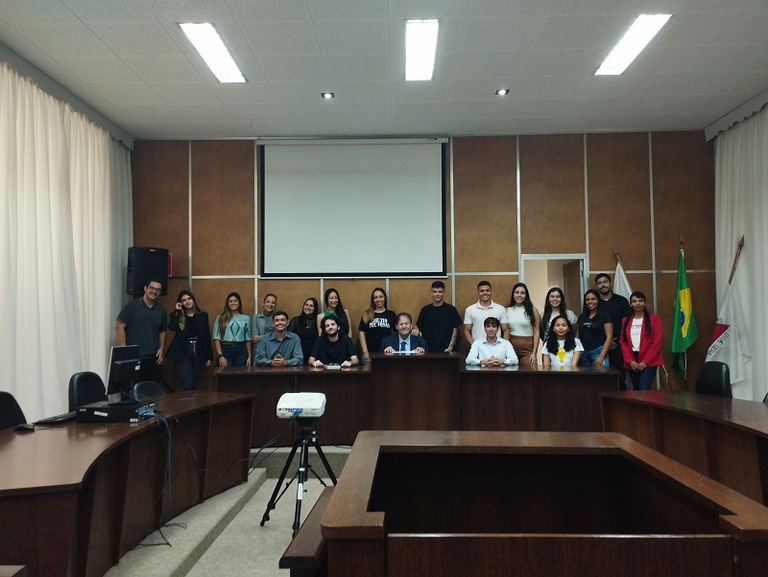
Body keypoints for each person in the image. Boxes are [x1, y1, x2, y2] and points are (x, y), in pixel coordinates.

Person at [115, 279, 168, 384]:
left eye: (157, 290)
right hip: (134, 357)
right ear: (145, 288)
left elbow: (162, 330)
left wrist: (162, 348)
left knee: (152, 389)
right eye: (152, 288)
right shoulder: (131, 306)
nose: (154, 291)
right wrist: (124, 350)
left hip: (153, 357)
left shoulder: (161, 309)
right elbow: (119, 326)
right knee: (133, 389)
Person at [166, 290, 213, 390]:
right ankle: (184, 399)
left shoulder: (202, 315)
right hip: (182, 351)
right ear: (181, 303)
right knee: (187, 383)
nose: (187, 302)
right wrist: (177, 311)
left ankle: (190, 400)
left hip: (198, 350)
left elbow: (206, 336)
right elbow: (172, 327)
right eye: (184, 300)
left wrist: (208, 356)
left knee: (194, 382)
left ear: (193, 300)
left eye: (189, 299)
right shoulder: (179, 315)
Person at [619, 291, 663, 391]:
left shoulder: (654, 319)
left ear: (645, 303)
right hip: (632, 359)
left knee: (644, 389)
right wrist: (630, 360)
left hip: (649, 359)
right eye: (634, 301)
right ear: (630, 304)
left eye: (640, 301)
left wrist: (645, 361)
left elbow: (657, 341)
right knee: (636, 389)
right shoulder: (625, 320)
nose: (638, 303)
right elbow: (623, 342)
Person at [595, 273, 632, 388]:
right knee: (600, 380)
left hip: (618, 346)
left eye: (605, 282)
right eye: (599, 283)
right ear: (596, 286)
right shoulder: (594, 303)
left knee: (620, 379)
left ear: (610, 283)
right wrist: (606, 342)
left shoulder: (622, 301)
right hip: (599, 347)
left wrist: (616, 341)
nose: (603, 285)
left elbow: (627, 324)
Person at [414, 281, 463, 352]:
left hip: (446, 351)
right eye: (435, 292)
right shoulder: (425, 310)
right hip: (428, 350)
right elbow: (417, 326)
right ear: (431, 292)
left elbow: (456, 329)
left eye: (440, 292)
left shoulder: (451, 309)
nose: (437, 294)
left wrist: (450, 347)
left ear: (444, 293)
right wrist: (416, 330)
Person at [463, 280, 509, 346]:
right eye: (482, 291)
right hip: (478, 348)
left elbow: (506, 330)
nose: (485, 293)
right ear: (478, 292)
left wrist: (504, 346)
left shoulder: (501, 309)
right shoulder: (470, 310)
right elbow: (466, 330)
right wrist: (474, 346)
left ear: (491, 291)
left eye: (487, 290)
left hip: (497, 348)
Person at [506, 282, 541, 368]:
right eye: (517, 292)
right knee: (511, 373)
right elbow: (505, 331)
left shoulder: (533, 310)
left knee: (531, 371)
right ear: (513, 294)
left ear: (526, 295)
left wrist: (534, 353)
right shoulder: (507, 310)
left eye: (522, 293)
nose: (519, 295)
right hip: (511, 347)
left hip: (528, 349)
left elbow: (536, 332)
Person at [358, 287, 397, 363]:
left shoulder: (391, 314)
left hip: (386, 352)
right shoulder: (367, 314)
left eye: (381, 297)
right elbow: (361, 333)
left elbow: (397, 332)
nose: (378, 299)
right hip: (370, 352)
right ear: (373, 300)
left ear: (385, 298)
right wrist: (365, 352)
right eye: (375, 297)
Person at [212, 292, 251, 368]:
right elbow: (216, 338)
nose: (233, 303)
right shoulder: (220, 318)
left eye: (235, 301)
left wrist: (249, 356)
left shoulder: (246, 318)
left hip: (241, 350)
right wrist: (220, 356)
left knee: (241, 374)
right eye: (230, 301)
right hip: (226, 350)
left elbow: (248, 339)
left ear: (239, 303)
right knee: (226, 374)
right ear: (227, 303)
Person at [577, 289, 613, 367]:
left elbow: (609, 337)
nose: (590, 302)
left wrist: (601, 356)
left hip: (599, 352)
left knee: (601, 375)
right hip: (584, 353)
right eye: (587, 300)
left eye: (593, 299)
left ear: (598, 300)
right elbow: (578, 336)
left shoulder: (605, 315)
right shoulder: (582, 316)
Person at [288, 297, 320, 365]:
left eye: (311, 306)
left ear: (315, 308)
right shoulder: (296, 320)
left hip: (314, 357)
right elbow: (289, 338)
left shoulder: (318, 321)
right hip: (297, 356)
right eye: (306, 305)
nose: (308, 307)